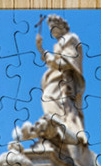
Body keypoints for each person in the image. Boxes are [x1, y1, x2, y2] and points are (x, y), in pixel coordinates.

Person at [35, 15, 87, 143]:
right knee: (51, 100)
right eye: (50, 28)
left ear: (62, 26)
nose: (52, 30)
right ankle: (57, 129)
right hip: (55, 77)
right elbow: (54, 61)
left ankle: (60, 128)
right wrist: (40, 49)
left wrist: (52, 60)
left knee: (50, 98)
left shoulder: (71, 38)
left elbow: (68, 61)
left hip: (63, 79)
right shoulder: (59, 43)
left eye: (54, 27)